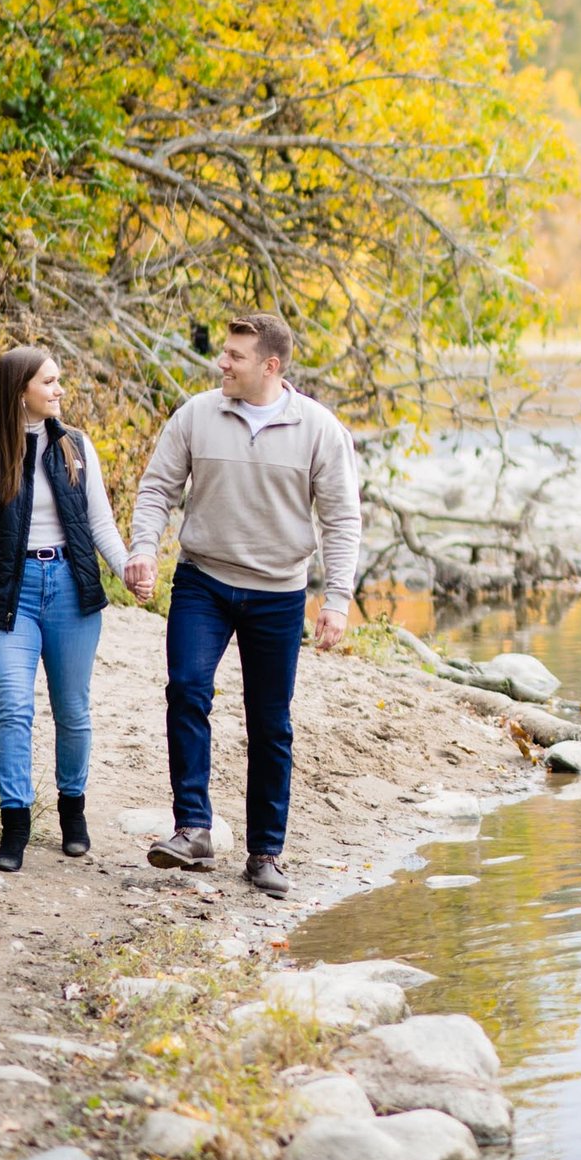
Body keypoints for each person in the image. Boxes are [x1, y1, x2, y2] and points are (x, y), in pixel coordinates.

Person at [125, 312, 360, 898]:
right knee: (186, 688)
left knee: (270, 723)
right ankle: (194, 829)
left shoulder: (320, 430)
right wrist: (143, 548)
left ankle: (265, 854)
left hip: (279, 593)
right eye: (225, 353)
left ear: (270, 367)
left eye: (235, 356)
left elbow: (340, 518)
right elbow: (157, 487)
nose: (222, 363)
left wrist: (336, 600)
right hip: (203, 581)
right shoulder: (197, 416)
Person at [0, 345, 127, 872]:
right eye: (48, 382)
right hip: (11, 595)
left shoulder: (76, 445)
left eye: (58, 381)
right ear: (20, 390)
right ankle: (16, 825)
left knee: (72, 711)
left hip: (72, 591)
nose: (58, 391)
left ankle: (72, 812)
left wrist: (129, 570)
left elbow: (100, 523)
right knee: (13, 705)